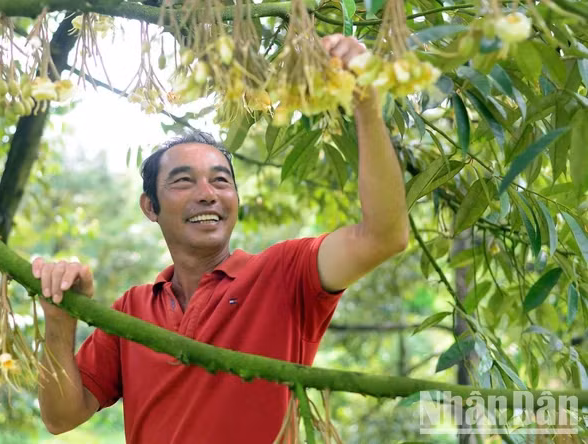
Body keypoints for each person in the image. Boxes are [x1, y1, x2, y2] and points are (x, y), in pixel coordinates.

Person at [32, 34, 409, 443]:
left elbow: (383, 235)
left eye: (220, 180)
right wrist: (60, 319)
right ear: (149, 206)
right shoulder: (131, 311)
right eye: (183, 181)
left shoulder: (285, 274)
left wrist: (366, 101)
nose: (207, 193)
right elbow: (61, 416)